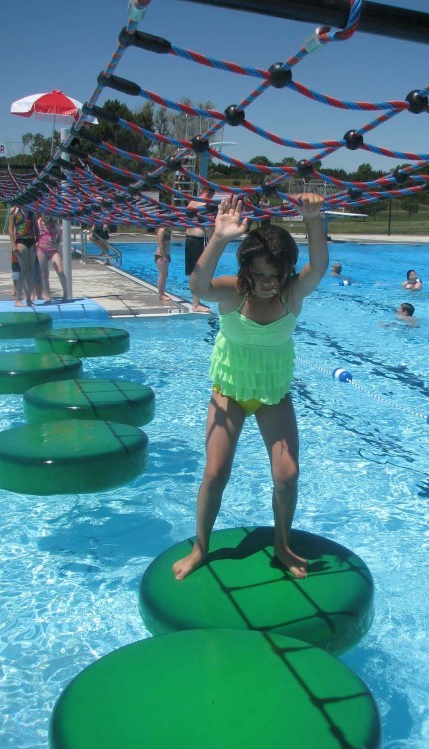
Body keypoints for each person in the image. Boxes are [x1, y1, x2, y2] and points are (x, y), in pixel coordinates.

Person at [172, 193, 328, 582]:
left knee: (287, 474)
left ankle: (282, 545)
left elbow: (320, 266)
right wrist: (220, 237)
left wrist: (312, 219)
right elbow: (198, 284)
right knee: (216, 471)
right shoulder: (233, 292)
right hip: (229, 391)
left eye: (274, 275)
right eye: (258, 275)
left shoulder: (292, 295)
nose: (265, 284)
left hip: (273, 394)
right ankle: (201, 547)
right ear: (247, 270)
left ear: (286, 271)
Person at [185, 186, 215, 312]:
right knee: (200, 271)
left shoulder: (192, 201)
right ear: (210, 193)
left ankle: (196, 302)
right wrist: (212, 241)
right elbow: (208, 227)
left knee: (194, 271)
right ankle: (196, 304)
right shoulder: (205, 204)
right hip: (199, 239)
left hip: (188, 238)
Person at [8, 205, 39, 307]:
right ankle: (17, 299)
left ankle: (29, 299)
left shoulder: (32, 212)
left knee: (31, 271)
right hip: (21, 241)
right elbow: (10, 229)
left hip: (32, 241)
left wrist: (38, 241)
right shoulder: (15, 211)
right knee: (24, 271)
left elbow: (36, 227)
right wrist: (13, 246)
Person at [37, 214, 68, 302]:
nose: (47, 216)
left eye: (48, 215)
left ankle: (66, 293)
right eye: (45, 214)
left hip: (53, 251)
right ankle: (47, 295)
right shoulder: (37, 223)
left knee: (60, 271)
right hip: (41, 249)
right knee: (44, 273)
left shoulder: (54, 224)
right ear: (41, 214)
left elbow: (59, 235)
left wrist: (57, 244)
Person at [155, 226, 172, 300]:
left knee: (165, 275)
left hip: (166, 255)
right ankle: (161, 294)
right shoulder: (161, 231)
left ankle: (162, 293)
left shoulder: (168, 230)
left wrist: (168, 255)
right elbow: (160, 244)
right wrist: (164, 256)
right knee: (162, 275)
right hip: (160, 255)